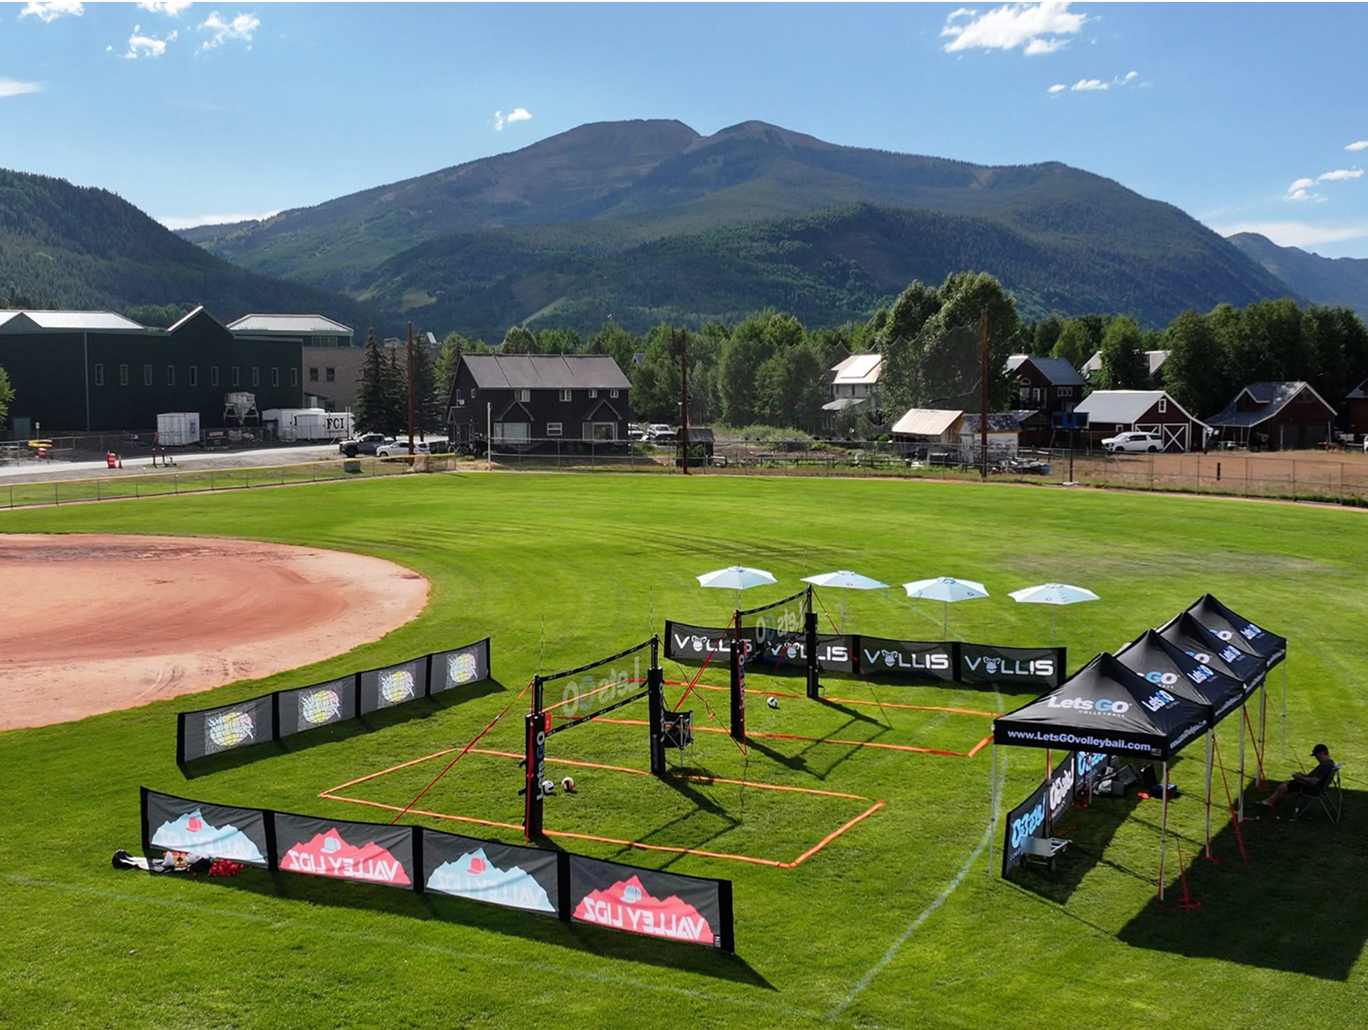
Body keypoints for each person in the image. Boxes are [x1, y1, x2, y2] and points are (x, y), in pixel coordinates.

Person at [1255, 743, 1336, 811]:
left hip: (1313, 789)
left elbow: (1314, 781)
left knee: (1283, 787)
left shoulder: (1325, 766)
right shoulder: (1330, 764)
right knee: (1287, 783)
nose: (1316, 758)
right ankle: (1269, 801)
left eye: (1317, 756)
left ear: (1322, 754)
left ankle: (1270, 804)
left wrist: (1300, 778)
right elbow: (1313, 777)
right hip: (1316, 787)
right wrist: (1303, 776)